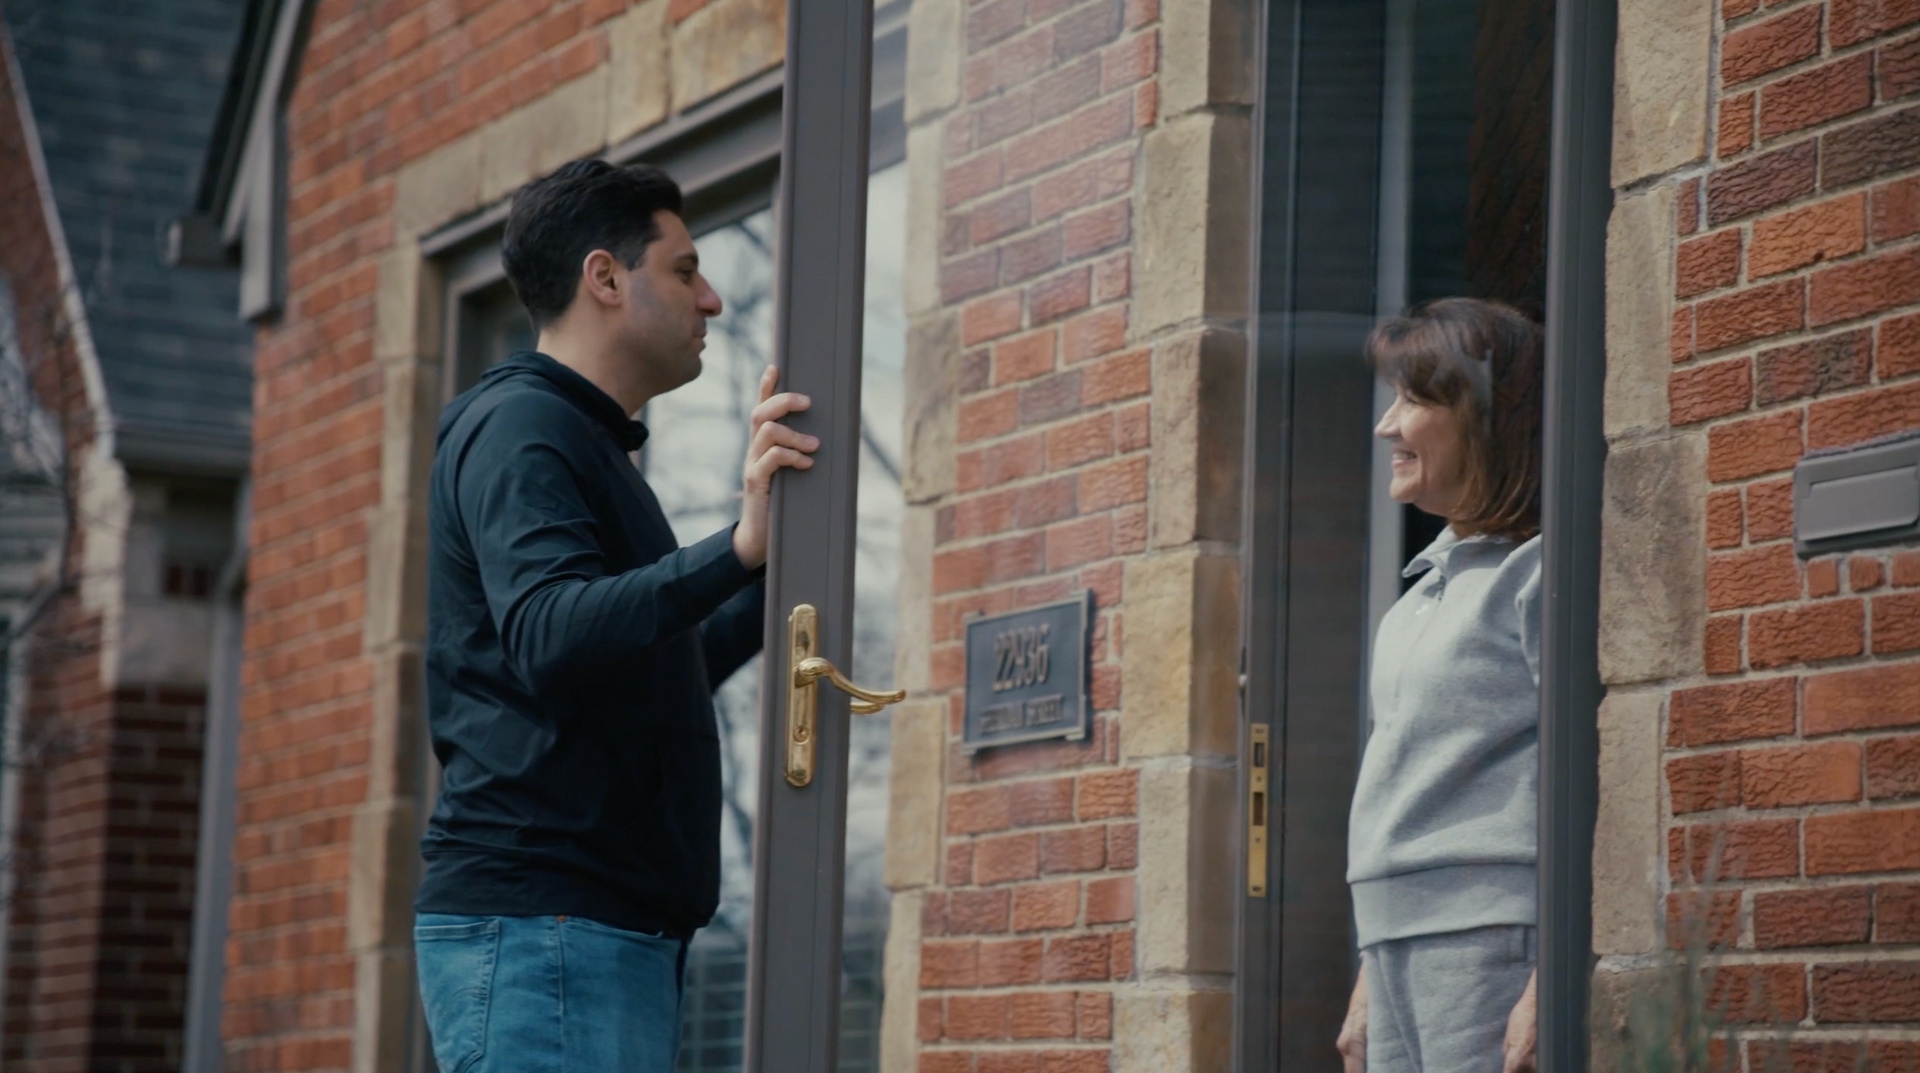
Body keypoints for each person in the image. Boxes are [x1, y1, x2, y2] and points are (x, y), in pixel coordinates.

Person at [411, 159, 818, 1072]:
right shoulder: (522, 425)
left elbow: (654, 662)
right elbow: (550, 629)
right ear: (604, 277)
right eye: (684, 270)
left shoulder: (582, 442)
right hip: (548, 933)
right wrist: (734, 548)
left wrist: (777, 560)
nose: (712, 299)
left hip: (583, 935)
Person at [1336, 297, 1545, 1073]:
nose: (1385, 426)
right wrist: (1370, 969)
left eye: (1413, 400)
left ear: (1486, 416)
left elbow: (1600, 778)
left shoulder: (1536, 572)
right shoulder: (1417, 595)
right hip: (1394, 944)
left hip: (1490, 940)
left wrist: (1548, 977)